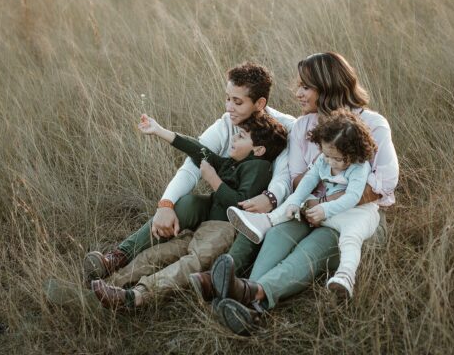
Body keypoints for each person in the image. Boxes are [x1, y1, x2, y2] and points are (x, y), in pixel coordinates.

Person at [189, 52, 399, 335]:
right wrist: (309, 205)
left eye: (305, 87)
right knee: (279, 233)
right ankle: (241, 291)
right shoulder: (303, 126)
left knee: (311, 248)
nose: (297, 93)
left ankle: (256, 300)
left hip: (354, 218)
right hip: (308, 205)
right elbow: (298, 176)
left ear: (328, 87)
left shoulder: (373, 124)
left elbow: (381, 184)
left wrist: (325, 205)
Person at [83, 62, 295, 287]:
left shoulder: (282, 128)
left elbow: (285, 175)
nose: (229, 107)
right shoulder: (226, 124)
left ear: (260, 103)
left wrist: (271, 196)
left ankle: (151, 290)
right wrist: (166, 204)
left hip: (253, 216)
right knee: (187, 203)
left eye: (238, 101)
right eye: (227, 98)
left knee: (195, 256)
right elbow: (195, 159)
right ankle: (117, 259)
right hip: (218, 208)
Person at [88, 110, 287, 310]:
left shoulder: (258, 168)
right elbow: (199, 150)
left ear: (259, 150)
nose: (234, 138)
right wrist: (160, 131)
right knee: (156, 255)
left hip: (224, 232)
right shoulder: (232, 163)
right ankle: (112, 285)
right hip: (203, 228)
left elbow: (241, 203)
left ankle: (137, 296)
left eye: (241, 136)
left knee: (190, 264)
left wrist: (213, 180)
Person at [228, 108, 378, 296]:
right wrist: (295, 201)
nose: (331, 163)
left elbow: (352, 197)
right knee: (297, 200)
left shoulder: (358, 166)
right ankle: (268, 221)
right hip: (324, 208)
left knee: (350, 237)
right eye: (327, 156)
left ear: (354, 152)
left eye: (338, 159)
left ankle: (345, 275)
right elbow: (308, 180)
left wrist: (324, 208)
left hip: (352, 214)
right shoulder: (325, 159)